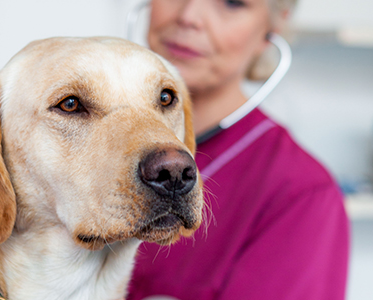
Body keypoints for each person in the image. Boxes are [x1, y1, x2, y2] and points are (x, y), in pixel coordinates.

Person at [127, 0, 349, 299]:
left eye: (232, 3)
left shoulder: (302, 194)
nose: (189, 16)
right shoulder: (84, 139)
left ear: (271, 28)